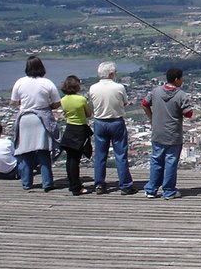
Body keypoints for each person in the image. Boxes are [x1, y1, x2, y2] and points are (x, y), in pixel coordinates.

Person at [10, 55, 60, 192]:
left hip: (25, 119)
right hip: (42, 118)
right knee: (43, 151)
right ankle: (47, 183)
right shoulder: (47, 83)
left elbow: (13, 102)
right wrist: (47, 106)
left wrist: (24, 103)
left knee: (26, 151)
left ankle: (26, 183)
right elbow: (57, 103)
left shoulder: (20, 82)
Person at [142, 67, 193, 200]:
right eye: (181, 78)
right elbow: (188, 114)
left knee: (156, 160)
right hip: (173, 134)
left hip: (157, 132)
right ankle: (169, 191)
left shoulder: (156, 91)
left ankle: (151, 190)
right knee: (170, 162)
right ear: (176, 80)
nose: (182, 81)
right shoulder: (181, 95)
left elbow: (144, 103)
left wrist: (152, 118)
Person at [88, 61, 135, 195]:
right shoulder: (119, 87)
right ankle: (125, 185)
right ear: (112, 73)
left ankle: (99, 184)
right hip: (116, 121)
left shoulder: (93, 88)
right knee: (120, 155)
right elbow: (125, 102)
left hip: (100, 122)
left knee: (100, 155)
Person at [59, 75, 93, 196]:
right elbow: (89, 114)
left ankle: (72, 183)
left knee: (70, 159)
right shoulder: (81, 99)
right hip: (80, 130)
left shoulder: (63, 100)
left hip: (69, 129)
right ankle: (76, 187)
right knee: (75, 160)